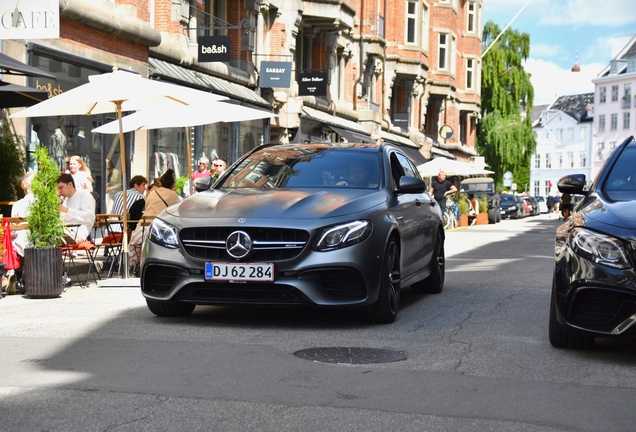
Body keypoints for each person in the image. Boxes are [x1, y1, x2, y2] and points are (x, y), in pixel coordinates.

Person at [58, 173, 96, 244]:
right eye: (58, 189)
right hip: (65, 231)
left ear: (70, 184)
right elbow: (61, 220)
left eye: (61, 187)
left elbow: (90, 217)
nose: (59, 191)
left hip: (77, 234)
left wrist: (67, 210)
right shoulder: (65, 201)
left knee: (51, 235)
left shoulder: (84, 195)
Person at [10, 172, 36, 257]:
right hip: (44, 246)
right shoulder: (45, 204)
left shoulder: (17, 205)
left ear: (23, 187)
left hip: (21, 246)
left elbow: (13, 229)